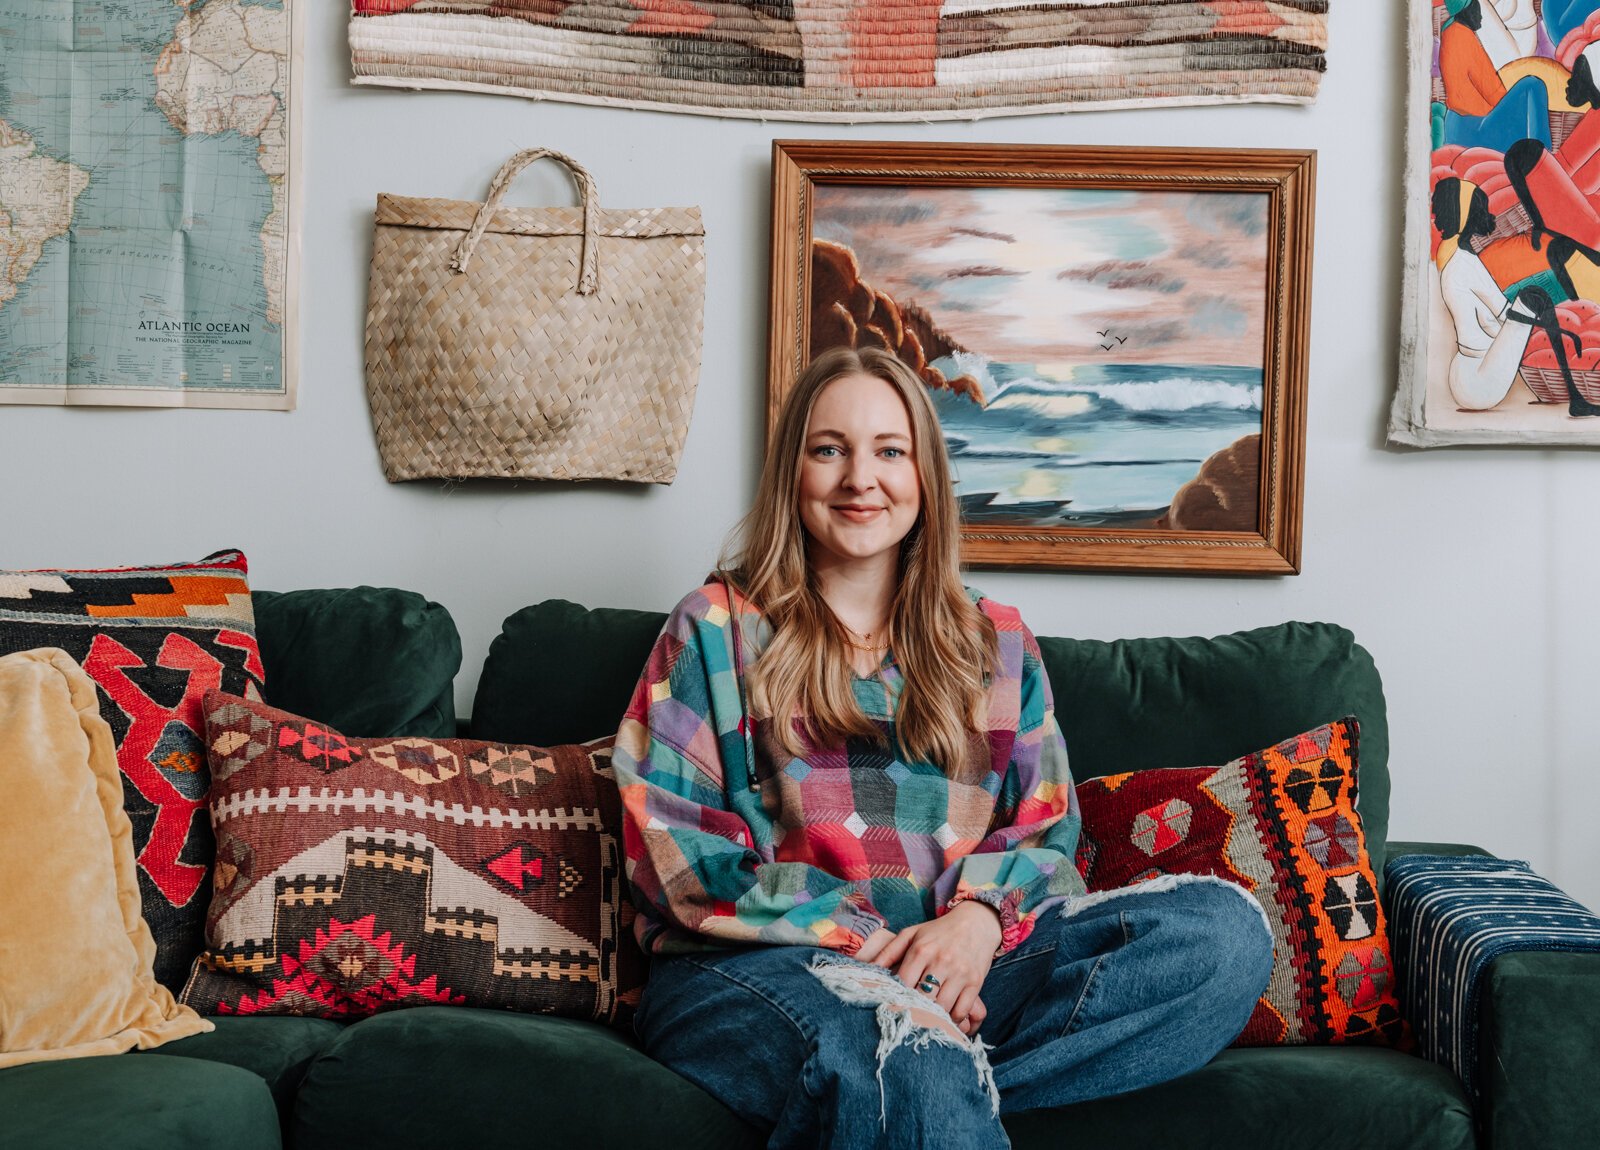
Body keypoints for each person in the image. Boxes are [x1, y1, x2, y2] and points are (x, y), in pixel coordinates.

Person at [612, 346, 1274, 1149]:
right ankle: (913, 1065)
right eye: (830, 450)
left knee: (1220, 936)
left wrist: (977, 926)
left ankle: (904, 1082)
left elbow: (1043, 827)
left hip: (968, 965)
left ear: (926, 474)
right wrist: (873, 949)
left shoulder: (994, 641)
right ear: (793, 472)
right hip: (760, 970)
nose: (862, 477)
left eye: (890, 451)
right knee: (903, 1044)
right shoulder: (714, 627)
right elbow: (675, 858)